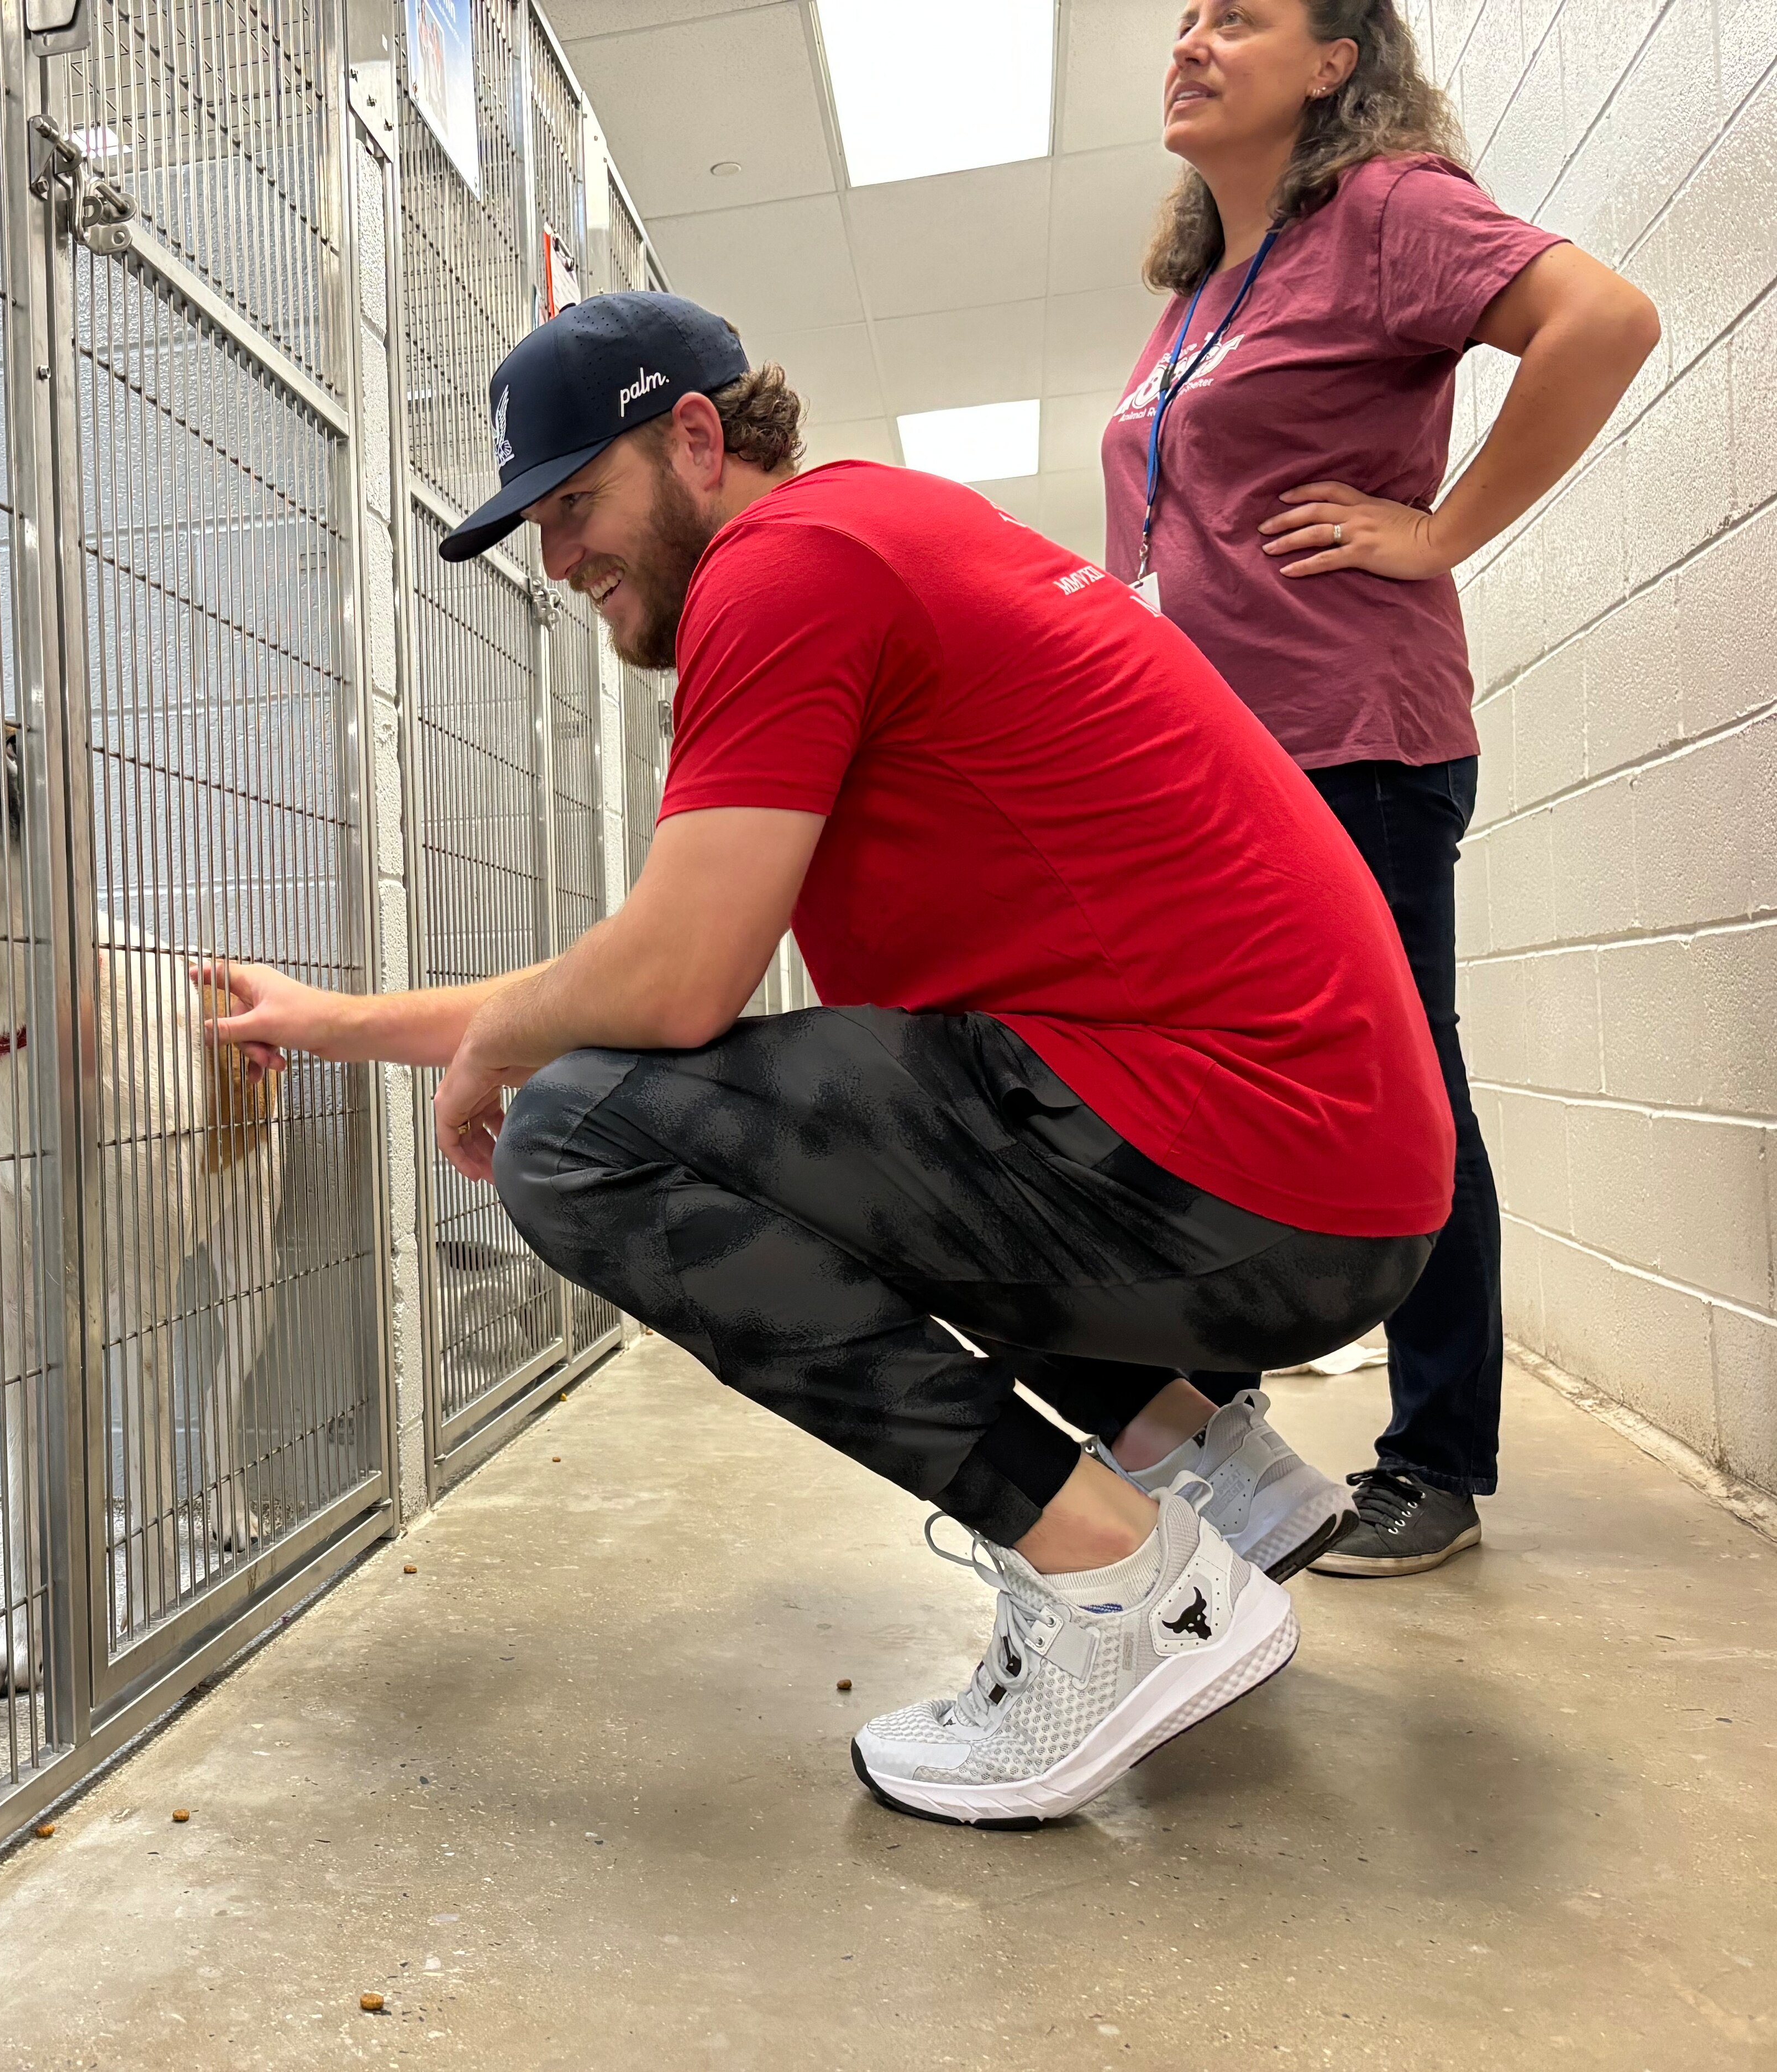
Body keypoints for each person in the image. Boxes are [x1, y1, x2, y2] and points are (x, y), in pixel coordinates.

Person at [203, 290, 1451, 1829]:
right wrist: (331, 1025)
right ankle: (1210, 1471)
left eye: (577, 502)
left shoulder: (786, 566)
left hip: (1247, 1168)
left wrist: (501, 1058)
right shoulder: (881, 537)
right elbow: (652, 965)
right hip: (1314, 1176)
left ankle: (1117, 1584)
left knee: (582, 1138)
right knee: (815, 1134)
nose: (560, 555)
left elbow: (665, 985)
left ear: (699, 438)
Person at [1104, 0, 1658, 1575]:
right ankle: (1226, 1422)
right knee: (1219, 1094)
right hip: (1217, 765)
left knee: (1398, 1093)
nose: (1195, 39)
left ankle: (1436, 1459)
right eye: (1188, 18)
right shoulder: (1198, 286)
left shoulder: (1389, 213)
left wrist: (1439, 529)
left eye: (1242, 17)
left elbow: (1604, 322)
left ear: (1337, 61)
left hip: (1355, 736)